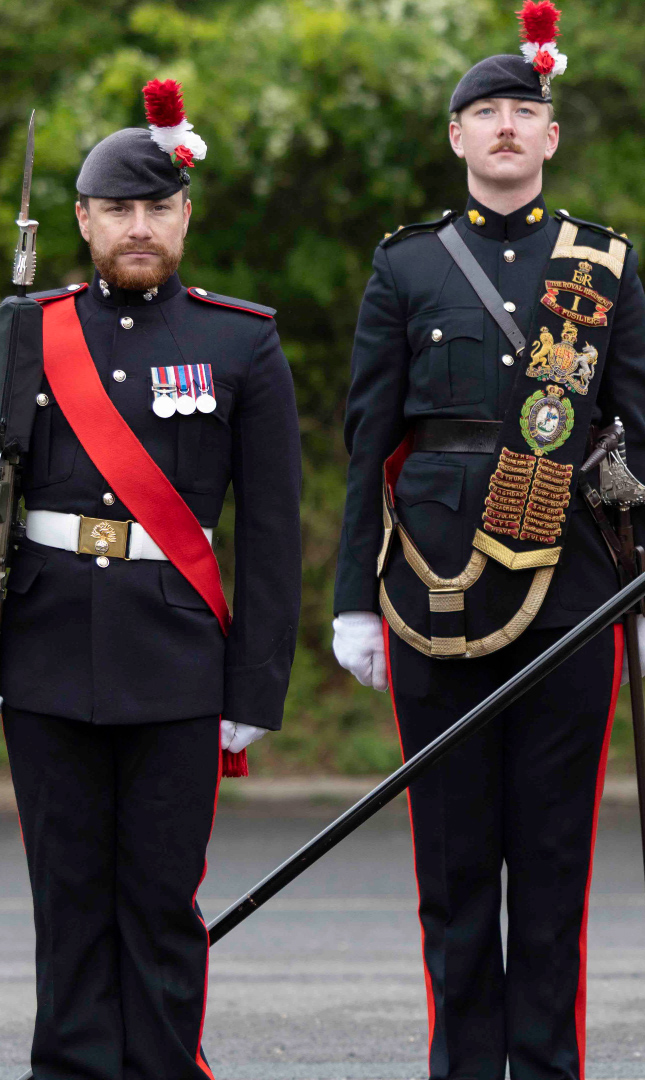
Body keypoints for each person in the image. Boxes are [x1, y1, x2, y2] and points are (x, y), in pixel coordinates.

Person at [327, 3, 645, 1075]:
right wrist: (351, 595)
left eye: (526, 110)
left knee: (555, 857)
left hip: (572, 586)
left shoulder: (602, 266)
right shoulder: (408, 267)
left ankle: (547, 1067)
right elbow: (367, 442)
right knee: (456, 862)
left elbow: (638, 436)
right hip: (435, 585)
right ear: (458, 137)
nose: (508, 127)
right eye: (488, 112)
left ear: (552, 137)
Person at [3, 79, 301, 1076]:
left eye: (156, 208)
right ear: (83, 220)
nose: (138, 226)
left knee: (163, 900)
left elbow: (268, 529)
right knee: (68, 897)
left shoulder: (239, 339)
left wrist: (255, 685)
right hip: (42, 650)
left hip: (177, 657)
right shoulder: (23, 331)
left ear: (185, 213)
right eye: (116, 210)